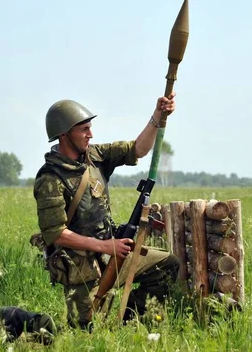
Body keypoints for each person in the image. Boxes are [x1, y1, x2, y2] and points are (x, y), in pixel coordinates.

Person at [33, 95, 180, 329]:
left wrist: (158, 117)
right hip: (81, 267)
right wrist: (105, 247)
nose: (90, 134)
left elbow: (138, 149)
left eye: (90, 128)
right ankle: (28, 323)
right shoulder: (50, 178)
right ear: (64, 134)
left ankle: (128, 319)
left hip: (112, 252)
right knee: (83, 332)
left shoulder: (96, 156)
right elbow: (55, 234)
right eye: (83, 129)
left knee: (167, 264)